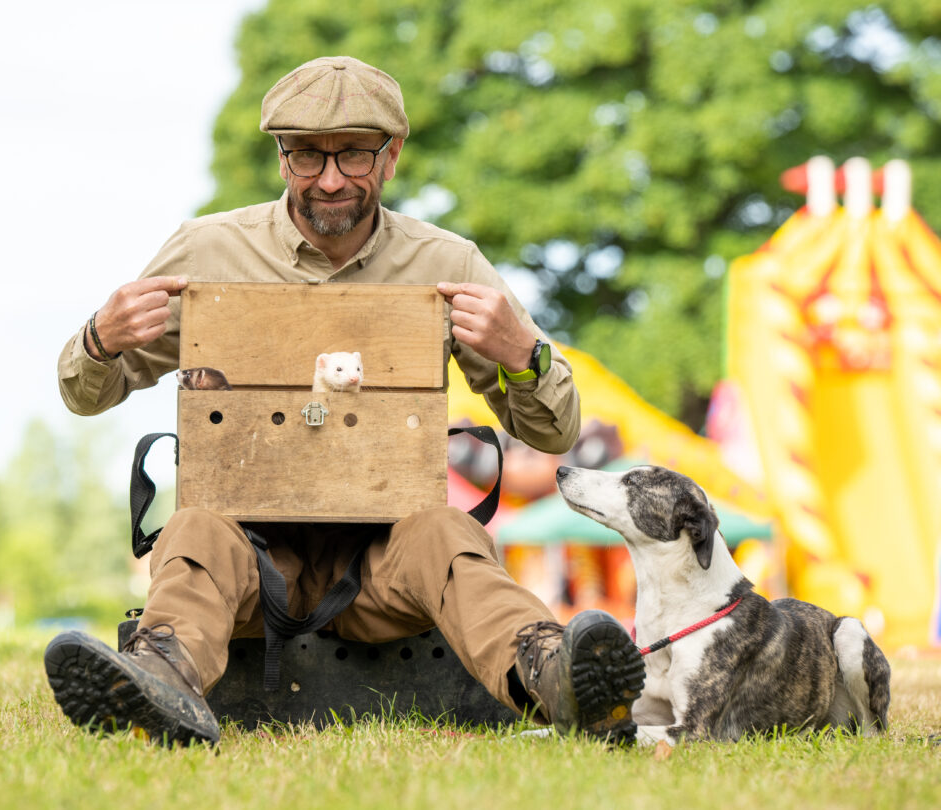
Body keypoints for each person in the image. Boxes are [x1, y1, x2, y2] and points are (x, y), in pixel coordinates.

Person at [44, 56, 644, 745]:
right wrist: (100, 338)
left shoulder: (446, 263)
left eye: (354, 154)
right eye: (306, 156)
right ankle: (158, 683)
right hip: (249, 560)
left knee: (448, 532)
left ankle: (554, 678)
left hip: (383, 568)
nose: (329, 178)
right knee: (194, 527)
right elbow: (82, 395)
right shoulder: (205, 251)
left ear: (391, 158)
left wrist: (525, 356)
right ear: (281, 158)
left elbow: (554, 428)